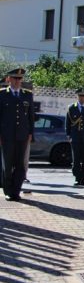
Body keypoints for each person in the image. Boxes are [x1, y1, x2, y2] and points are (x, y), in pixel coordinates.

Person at [0, 68, 35, 201]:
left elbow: (31, 116)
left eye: (19, 79)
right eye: (15, 78)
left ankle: (16, 191)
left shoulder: (27, 94)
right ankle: (8, 191)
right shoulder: (2, 94)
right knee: (7, 165)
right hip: (6, 135)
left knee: (20, 165)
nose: (17, 81)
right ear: (9, 79)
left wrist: (31, 133)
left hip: (22, 135)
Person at [66, 89, 84, 186]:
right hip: (75, 138)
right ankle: (77, 178)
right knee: (76, 160)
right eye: (80, 96)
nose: (82, 98)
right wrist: (69, 135)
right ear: (77, 96)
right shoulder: (71, 108)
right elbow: (68, 123)